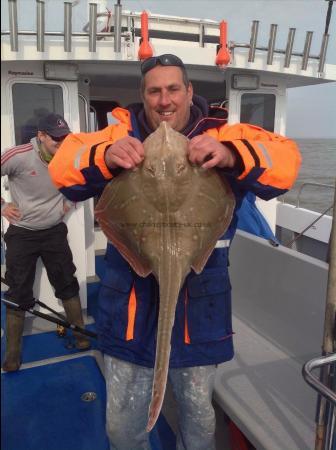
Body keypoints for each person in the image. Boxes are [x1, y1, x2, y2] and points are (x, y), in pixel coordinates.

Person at [49, 55, 301, 450]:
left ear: (188, 92)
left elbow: (285, 162)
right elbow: (64, 165)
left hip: (200, 306)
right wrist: (104, 158)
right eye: (154, 91)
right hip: (129, 302)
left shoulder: (226, 133)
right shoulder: (114, 136)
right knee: (121, 425)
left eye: (172, 89)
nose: (164, 100)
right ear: (144, 96)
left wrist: (233, 155)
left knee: (199, 420)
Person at [1, 112, 90, 372]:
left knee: (67, 283)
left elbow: (82, 182)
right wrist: (3, 206)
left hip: (53, 231)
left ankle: (82, 335)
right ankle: (13, 353)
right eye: (56, 138)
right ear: (41, 136)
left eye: (66, 137)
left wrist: (70, 201)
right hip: (22, 233)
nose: (62, 143)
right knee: (18, 292)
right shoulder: (17, 156)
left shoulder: (71, 155)